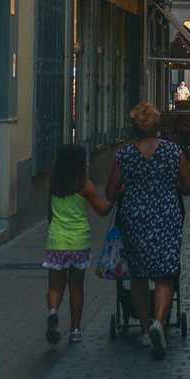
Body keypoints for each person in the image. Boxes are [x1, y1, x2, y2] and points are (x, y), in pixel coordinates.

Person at [105, 103, 190, 359]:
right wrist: (171, 187)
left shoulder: (124, 155)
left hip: (134, 218)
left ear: (134, 127)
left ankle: (145, 330)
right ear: (158, 125)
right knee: (166, 273)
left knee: (138, 275)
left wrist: (128, 189)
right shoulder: (172, 151)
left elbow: (110, 193)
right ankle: (160, 321)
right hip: (167, 217)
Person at [43, 144, 113, 345]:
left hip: (56, 240)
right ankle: (75, 329)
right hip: (79, 241)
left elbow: (49, 216)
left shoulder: (53, 184)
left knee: (55, 285)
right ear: (80, 164)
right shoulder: (85, 186)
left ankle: (53, 311)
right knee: (76, 285)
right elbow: (101, 210)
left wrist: (57, 228)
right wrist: (114, 199)